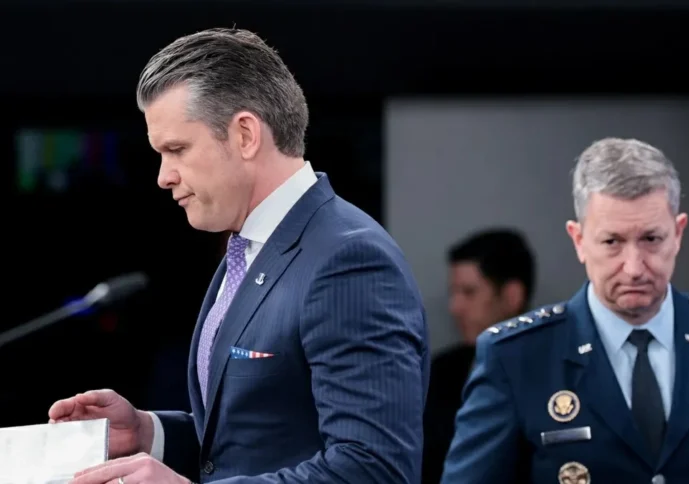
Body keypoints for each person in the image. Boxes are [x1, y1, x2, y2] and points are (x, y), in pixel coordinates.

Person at [48, 28, 429, 484]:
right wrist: (149, 433)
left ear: (245, 134)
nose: (164, 176)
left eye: (177, 150)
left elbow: (375, 469)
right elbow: (249, 444)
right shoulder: (248, 247)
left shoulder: (349, 259)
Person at [440, 138, 689, 483]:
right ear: (579, 241)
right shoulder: (517, 357)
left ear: (678, 234)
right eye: (612, 241)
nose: (633, 267)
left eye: (651, 239)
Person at [423, 228, 535, 483]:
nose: (455, 307)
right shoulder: (440, 371)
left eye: (469, 292)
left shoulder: (555, 372)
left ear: (511, 296)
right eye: (453, 293)